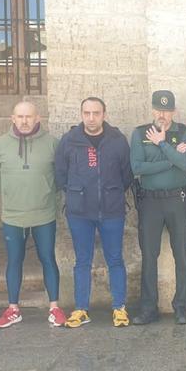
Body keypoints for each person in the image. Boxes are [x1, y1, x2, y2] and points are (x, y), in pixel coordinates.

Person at [0, 101, 66, 328]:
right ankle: (13, 309)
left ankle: (54, 308)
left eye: (28, 116)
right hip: (13, 215)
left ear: (37, 118)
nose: (24, 121)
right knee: (14, 261)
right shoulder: (0, 145)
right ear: (12, 118)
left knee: (48, 259)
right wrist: (10, 192)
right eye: (19, 116)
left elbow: (61, 174)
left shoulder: (52, 143)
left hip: (44, 214)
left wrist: (45, 191)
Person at [55, 97, 133, 328]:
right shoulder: (69, 141)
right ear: (81, 114)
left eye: (96, 113)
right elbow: (60, 173)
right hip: (79, 212)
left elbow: (127, 174)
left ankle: (119, 307)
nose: (91, 118)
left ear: (104, 114)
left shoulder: (117, 140)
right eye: (86, 113)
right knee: (82, 261)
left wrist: (112, 192)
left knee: (115, 259)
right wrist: (76, 193)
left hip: (111, 210)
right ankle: (81, 309)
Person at [130, 90, 186, 325]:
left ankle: (181, 308)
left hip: (176, 201)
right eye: (158, 109)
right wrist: (170, 159)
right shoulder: (140, 133)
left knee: (182, 254)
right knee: (149, 256)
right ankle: (148, 309)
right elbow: (137, 167)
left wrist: (162, 144)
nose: (162, 115)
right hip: (149, 202)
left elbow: (185, 164)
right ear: (152, 110)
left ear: (173, 111)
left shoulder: (184, 132)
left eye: (167, 110)